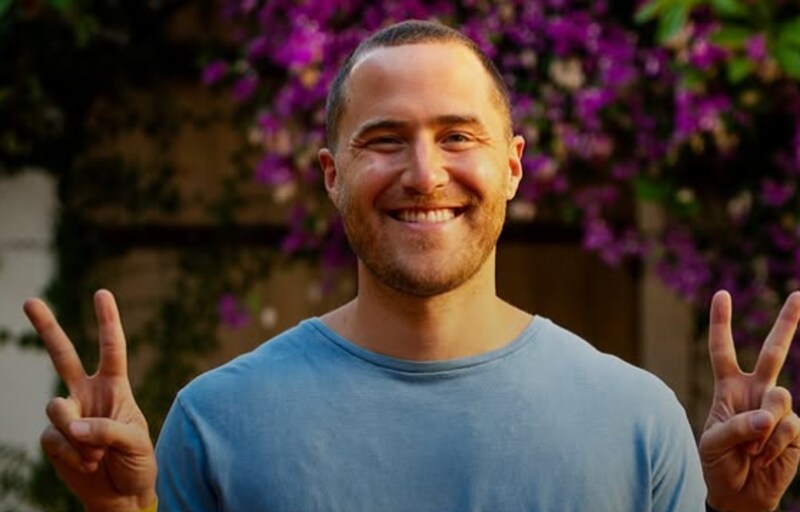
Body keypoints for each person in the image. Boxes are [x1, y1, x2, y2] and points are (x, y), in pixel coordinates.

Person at [23, 20, 800, 512]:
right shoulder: (217, 422)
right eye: (385, 140)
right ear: (331, 175)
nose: (425, 175)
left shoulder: (637, 421)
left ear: (513, 166)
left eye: (458, 136)